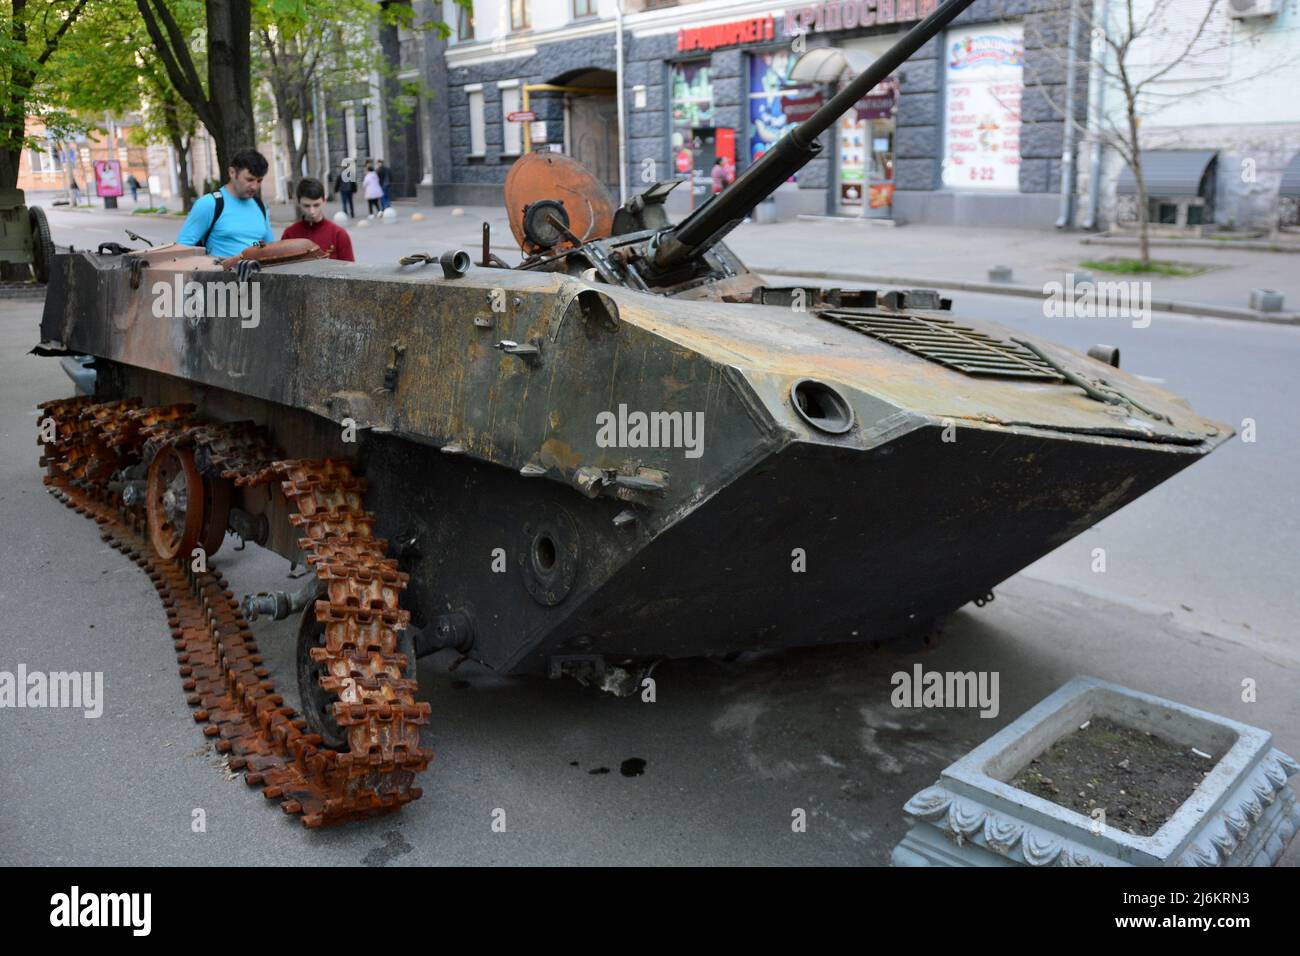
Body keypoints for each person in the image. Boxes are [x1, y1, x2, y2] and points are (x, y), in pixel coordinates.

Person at [176, 148, 275, 258]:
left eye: (259, 181)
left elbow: (270, 247)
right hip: (222, 273)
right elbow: (180, 251)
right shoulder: (209, 204)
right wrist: (179, 276)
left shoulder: (260, 205)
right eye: (249, 179)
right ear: (232, 173)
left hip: (259, 273)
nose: (255, 186)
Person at [281, 177, 355, 261]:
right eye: (306, 206)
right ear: (298, 203)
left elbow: (350, 271)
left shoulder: (339, 234)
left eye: (316, 205)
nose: (312, 211)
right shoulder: (289, 234)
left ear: (324, 202)